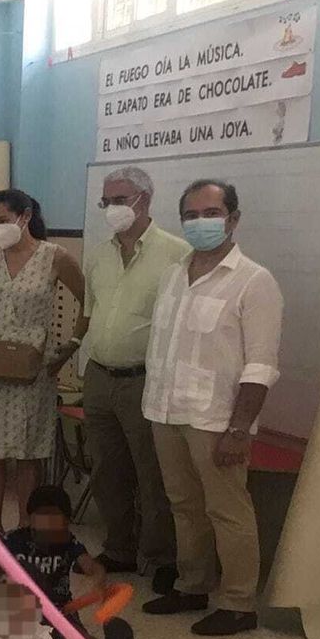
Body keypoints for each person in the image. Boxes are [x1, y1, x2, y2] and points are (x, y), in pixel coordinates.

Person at [141, 179, 283, 637]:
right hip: (165, 409)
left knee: (228, 509)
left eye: (210, 213)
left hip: (217, 420)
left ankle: (240, 603)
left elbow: (261, 365)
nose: (199, 223)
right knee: (184, 505)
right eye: (190, 215)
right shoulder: (173, 273)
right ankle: (193, 584)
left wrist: (239, 429)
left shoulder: (254, 280)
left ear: (233, 218)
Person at [76, 167, 189, 591]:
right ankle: (119, 547)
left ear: (145, 200)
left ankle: (161, 557)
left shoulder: (175, 254)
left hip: (145, 380)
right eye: (107, 202)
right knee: (107, 471)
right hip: (100, 376)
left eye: (121, 200)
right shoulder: (99, 254)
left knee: (152, 473)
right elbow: (93, 312)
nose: (112, 209)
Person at [0, 189, 84, 543]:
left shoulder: (55, 257)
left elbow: (91, 304)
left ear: (25, 216)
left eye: (3, 220)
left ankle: (27, 534)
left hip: (31, 371)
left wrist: (69, 348)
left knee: (28, 454)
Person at [2, 485, 134, 639]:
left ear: (66, 522)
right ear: (29, 518)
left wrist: (97, 584)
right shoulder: (14, 540)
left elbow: (92, 567)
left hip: (60, 609)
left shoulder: (68, 541)